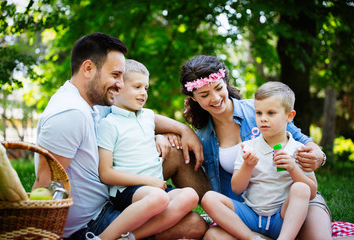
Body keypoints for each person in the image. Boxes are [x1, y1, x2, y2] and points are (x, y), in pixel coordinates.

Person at [33, 32, 207, 239]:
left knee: (190, 205)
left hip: (106, 204)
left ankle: (218, 209)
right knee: (193, 225)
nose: (120, 84)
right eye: (115, 75)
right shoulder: (70, 114)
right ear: (88, 69)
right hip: (89, 224)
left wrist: (182, 130)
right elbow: (44, 185)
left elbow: (142, 117)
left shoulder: (90, 103)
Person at [175, 55, 332, 239]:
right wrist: (171, 133)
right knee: (214, 237)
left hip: (292, 202)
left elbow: (302, 140)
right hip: (250, 209)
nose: (215, 98)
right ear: (193, 98)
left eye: (219, 88)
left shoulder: (259, 110)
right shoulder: (202, 137)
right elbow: (234, 188)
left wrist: (319, 155)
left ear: (226, 83)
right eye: (204, 94)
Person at [96, 59, 199, 239]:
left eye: (146, 88)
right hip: (127, 191)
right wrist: (149, 181)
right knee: (159, 198)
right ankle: (103, 238)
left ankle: (131, 237)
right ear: (117, 88)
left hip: (156, 188)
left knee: (190, 195)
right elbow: (105, 173)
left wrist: (158, 137)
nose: (143, 93)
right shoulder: (109, 124)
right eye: (137, 87)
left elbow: (138, 139)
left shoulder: (148, 116)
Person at [201, 81, 318, 240]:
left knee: (300, 188)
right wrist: (248, 166)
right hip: (252, 217)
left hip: (282, 219)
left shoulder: (298, 150)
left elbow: (311, 192)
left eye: (271, 113)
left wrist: (292, 168)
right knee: (210, 208)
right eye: (258, 113)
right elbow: (236, 188)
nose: (263, 119)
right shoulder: (247, 147)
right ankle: (252, 238)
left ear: (289, 116)